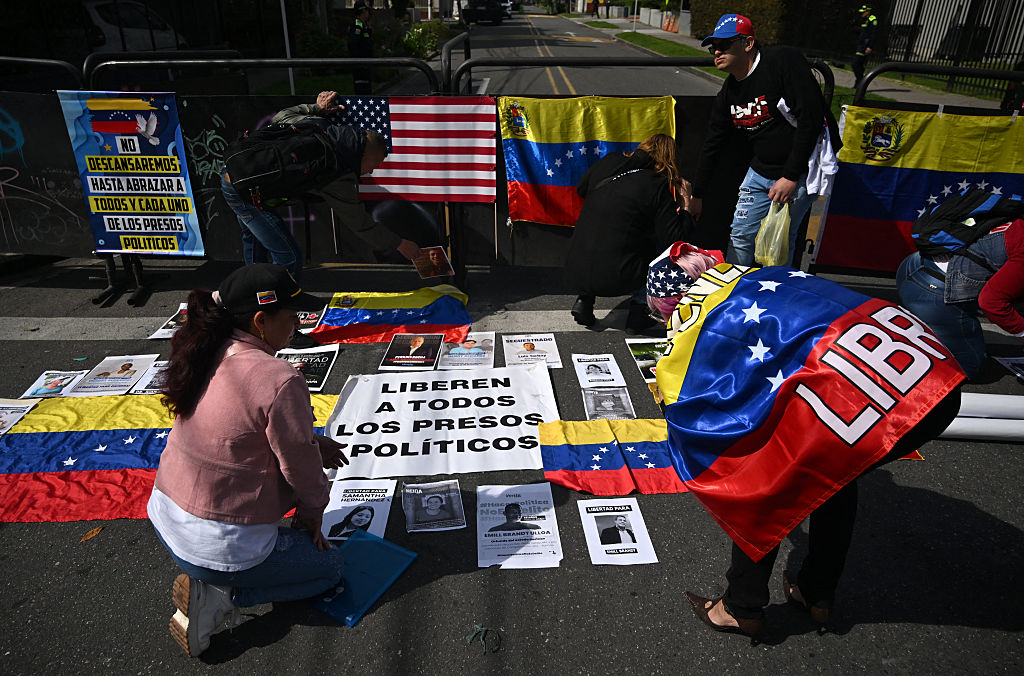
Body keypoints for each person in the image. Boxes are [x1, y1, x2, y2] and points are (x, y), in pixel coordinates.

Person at [655, 264, 966, 640]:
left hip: (893, 394)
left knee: (762, 473)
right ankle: (817, 592)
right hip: (931, 373)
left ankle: (740, 606)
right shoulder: (751, 276)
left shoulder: (714, 315)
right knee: (834, 475)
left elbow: (715, 400)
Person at [147, 263, 350, 658]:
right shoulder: (279, 377)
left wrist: (311, 440)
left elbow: (241, 435)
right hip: (219, 547)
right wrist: (312, 516)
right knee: (332, 568)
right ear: (260, 320)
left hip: (168, 522)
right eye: (292, 318)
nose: (297, 328)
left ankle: (215, 583)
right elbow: (303, 470)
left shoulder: (206, 347)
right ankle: (223, 595)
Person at [689, 14, 840, 267]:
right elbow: (712, 143)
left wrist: (791, 176)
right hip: (760, 170)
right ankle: (737, 293)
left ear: (748, 44)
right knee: (740, 235)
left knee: (778, 243)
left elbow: (811, 119)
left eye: (724, 45)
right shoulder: (729, 93)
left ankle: (773, 298)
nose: (717, 51)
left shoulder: (781, 62)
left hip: (800, 170)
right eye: (713, 46)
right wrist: (698, 194)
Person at [221, 90, 421, 280]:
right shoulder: (336, 172)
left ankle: (254, 296)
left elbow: (282, 116)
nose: (371, 172)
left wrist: (316, 108)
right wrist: (399, 244)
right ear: (364, 155)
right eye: (374, 165)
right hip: (246, 192)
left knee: (256, 241)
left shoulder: (319, 126)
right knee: (288, 257)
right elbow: (360, 224)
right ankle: (281, 307)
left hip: (235, 172)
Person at [565, 133, 696, 333]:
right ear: (668, 161)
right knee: (660, 249)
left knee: (602, 233)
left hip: (574, 270)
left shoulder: (610, 161)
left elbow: (582, 188)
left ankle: (585, 300)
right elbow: (675, 239)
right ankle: (639, 311)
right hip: (616, 277)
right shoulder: (656, 184)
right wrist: (686, 204)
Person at [896, 218, 1024, 380]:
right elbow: (991, 303)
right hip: (934, 291)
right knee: (969, 370)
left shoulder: (1018, 221)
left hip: (914, 264)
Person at [348, 1, 374, 95]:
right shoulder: (357, 25)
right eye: (366, 11)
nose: (368, 13)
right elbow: (353, 43)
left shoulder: (363, 25)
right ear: (363, 12)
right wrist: (359, 60)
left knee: (367, 88)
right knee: (362, 90)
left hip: (365, 63)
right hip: (360, 65)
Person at [852, 4, 879, 89]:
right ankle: (858, 85)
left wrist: (870, 46)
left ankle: (861, 81)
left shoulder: (872, 20)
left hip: (865, 45)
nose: (862, 13)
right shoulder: (864, 20)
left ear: (868, 11)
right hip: (861, 44)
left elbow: (873, 35)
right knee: (860, 65)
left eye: (863, 12)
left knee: (855, 64)